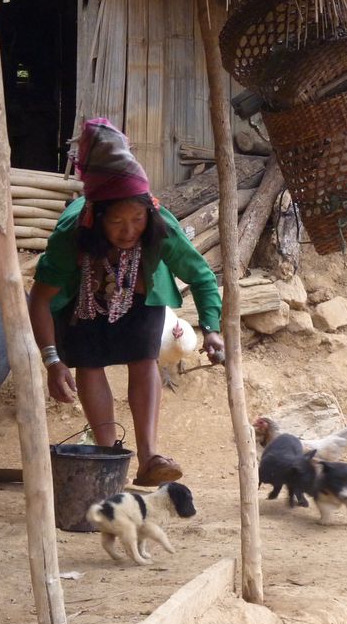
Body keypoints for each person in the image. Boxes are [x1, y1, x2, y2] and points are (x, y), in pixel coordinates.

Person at [28, 118, 224, 487]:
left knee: (143, 357)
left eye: (137, 219)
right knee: (88, 361)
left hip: (140, 299)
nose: (129, 230)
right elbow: (39, 300)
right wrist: (53, 362)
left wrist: (211, 329)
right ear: (97, 217)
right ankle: (107, 459)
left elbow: (200, 274)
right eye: (118, 221)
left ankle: (149, 457)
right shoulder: (73, 234)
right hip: (81, 304)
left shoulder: (157, 224)